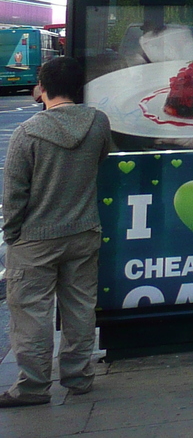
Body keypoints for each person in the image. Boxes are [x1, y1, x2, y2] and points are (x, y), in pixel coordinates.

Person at [1, 57, 112, 408]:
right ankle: (78, 377)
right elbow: (101, 159)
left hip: (35, 238)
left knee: (32, 312)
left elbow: (14, 193)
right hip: (83, 230)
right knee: (80, 307)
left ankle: (33, 387)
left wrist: (11, 235)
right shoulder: (97, 122)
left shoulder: (28, 132)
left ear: (42, 87)